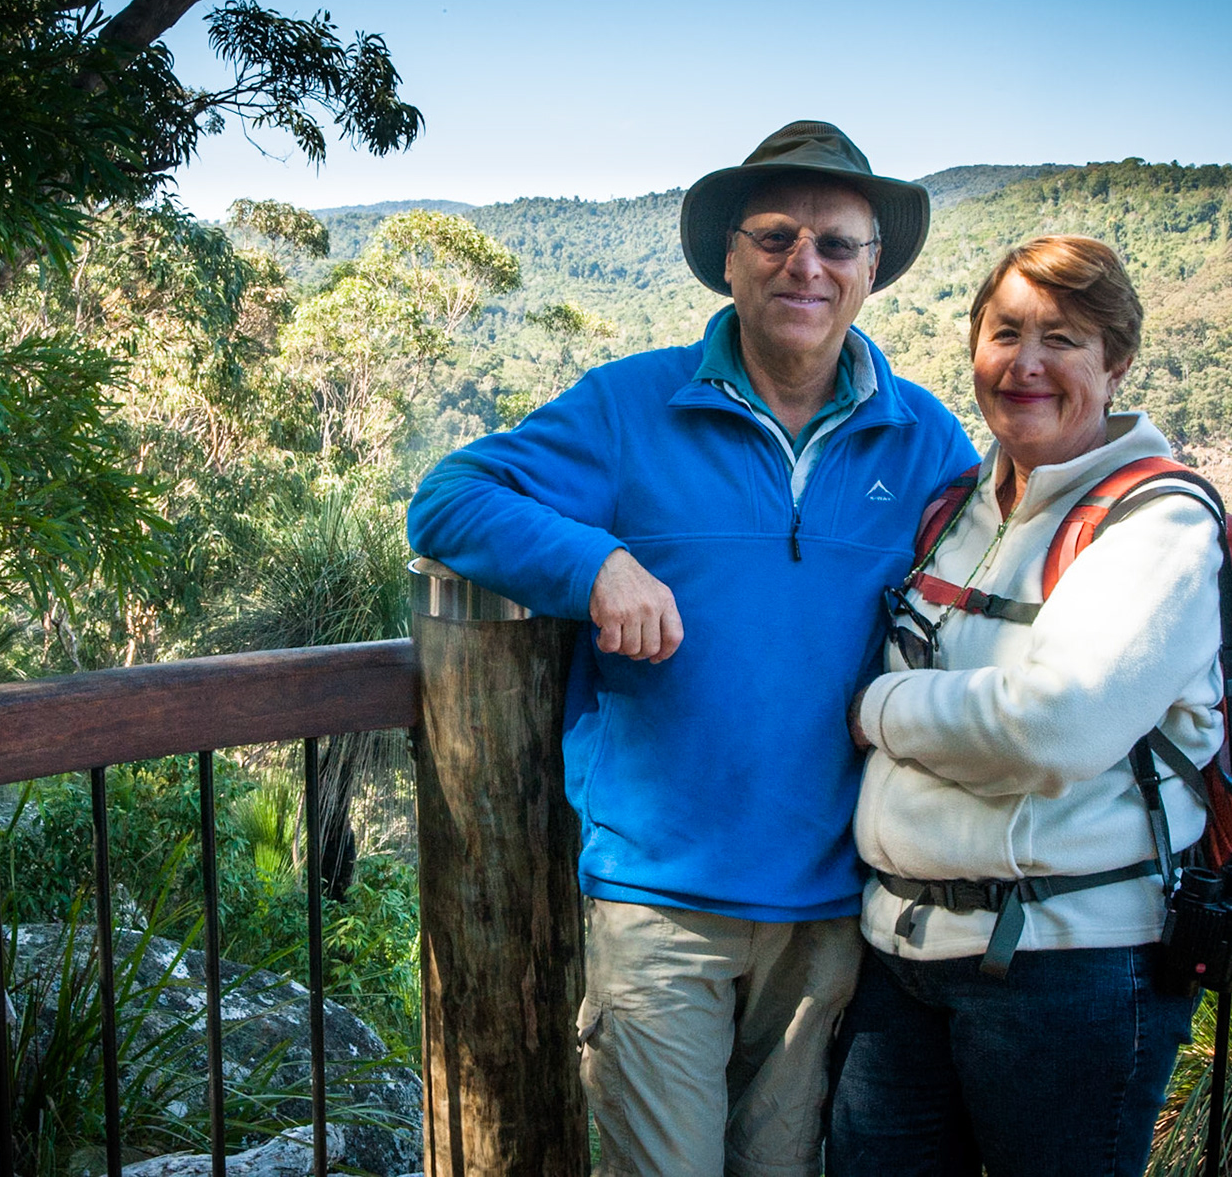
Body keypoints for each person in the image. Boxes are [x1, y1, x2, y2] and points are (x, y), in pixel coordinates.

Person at [406, 121, 977, 1177]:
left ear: (872, 269)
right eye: (775, 235)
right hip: (660, 901)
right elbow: (449, 498)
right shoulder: (633, 405)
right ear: (729, 256)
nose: (804, 263)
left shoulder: (925, 436)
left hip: (833, 910)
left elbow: (1012, 572)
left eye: (837, 244)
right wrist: (596, 566)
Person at [829, 235, 1220, 1177]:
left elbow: (1056, 725)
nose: (1028, 364)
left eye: (1065, 340)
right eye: (1006, 333)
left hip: (1071, 969)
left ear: (1115, 363)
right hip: (900, 954)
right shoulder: (956, 507)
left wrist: (879, 708)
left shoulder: (1158, 523)